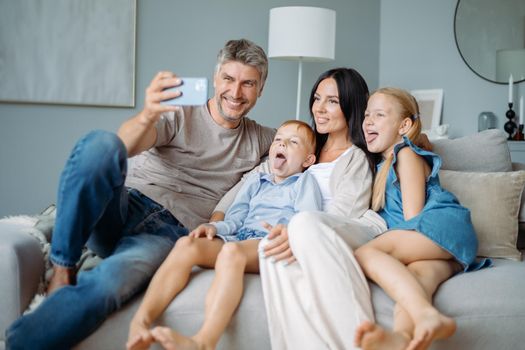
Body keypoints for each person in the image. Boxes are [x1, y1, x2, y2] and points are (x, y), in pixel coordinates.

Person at [5, 38, 276, 350]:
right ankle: (62, 267)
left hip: (167, 233)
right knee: (102, 143)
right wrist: (148, 114)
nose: (236, 92)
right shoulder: (181, 113)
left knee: (110, 283)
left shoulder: (263, 139)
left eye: (248, 83)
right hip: (122, 204)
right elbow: (122, 148)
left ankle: (17, 345)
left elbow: (317, 149)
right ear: (216, 79)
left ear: (261, 89)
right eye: (228, 79)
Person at [212, 67, 387, 349]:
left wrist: (297, 233)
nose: (320, 108)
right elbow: (253, 178)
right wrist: (218, 216)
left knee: (292, 234)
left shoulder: (355, 157)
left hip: (328, 229)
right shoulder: (301, 144)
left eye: (332, 101)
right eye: (317, 98)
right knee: (273, 253)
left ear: (351, 105)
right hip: (288, 228)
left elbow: (346, 212)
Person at [126, 119, 322, 350]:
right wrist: (214, 228)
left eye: (293, 142)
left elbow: (308, 220)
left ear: (308, 160)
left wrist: (288, 232)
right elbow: (236, 218)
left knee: (230, 253)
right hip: (240, 237)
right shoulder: (256, 181)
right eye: (278, 140)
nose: (282, 145)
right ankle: (140, 323)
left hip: (270, 242)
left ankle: (204, 341)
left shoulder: (305, 182)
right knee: (187, 244)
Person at [353, 87, 490, 350]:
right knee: (415, 281)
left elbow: (413, 216)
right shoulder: (380, 165)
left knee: (365, 254)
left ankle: (427, 316)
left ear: (404, 125)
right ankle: (404, 337)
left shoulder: (406, 154)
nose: (368, 121)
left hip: (439, 224)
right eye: (367, 114)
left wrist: (390, 246)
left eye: (379, 115)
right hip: (445, 246)